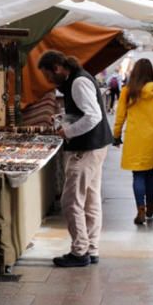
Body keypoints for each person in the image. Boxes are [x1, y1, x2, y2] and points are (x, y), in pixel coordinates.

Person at [38, 50, 113, 267]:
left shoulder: (78, 82)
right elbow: (85, 112)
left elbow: (93, 115)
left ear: (57, 68)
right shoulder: (77, 79)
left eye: (49, 76)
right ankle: (91, 248)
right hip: (95, 146)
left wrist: (67, 131)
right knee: (90, 198)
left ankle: (80, 251)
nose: (49, 81)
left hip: (87, 148)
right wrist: (64, 118)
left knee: (71, 200)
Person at [113, 58, 153, 225]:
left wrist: (116, 136)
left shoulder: (127, 90)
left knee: (137, 175)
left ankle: (140, 210)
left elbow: (120, 116)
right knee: (150, 174)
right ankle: (150, 206)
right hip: (151, 138)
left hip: (134, 138)